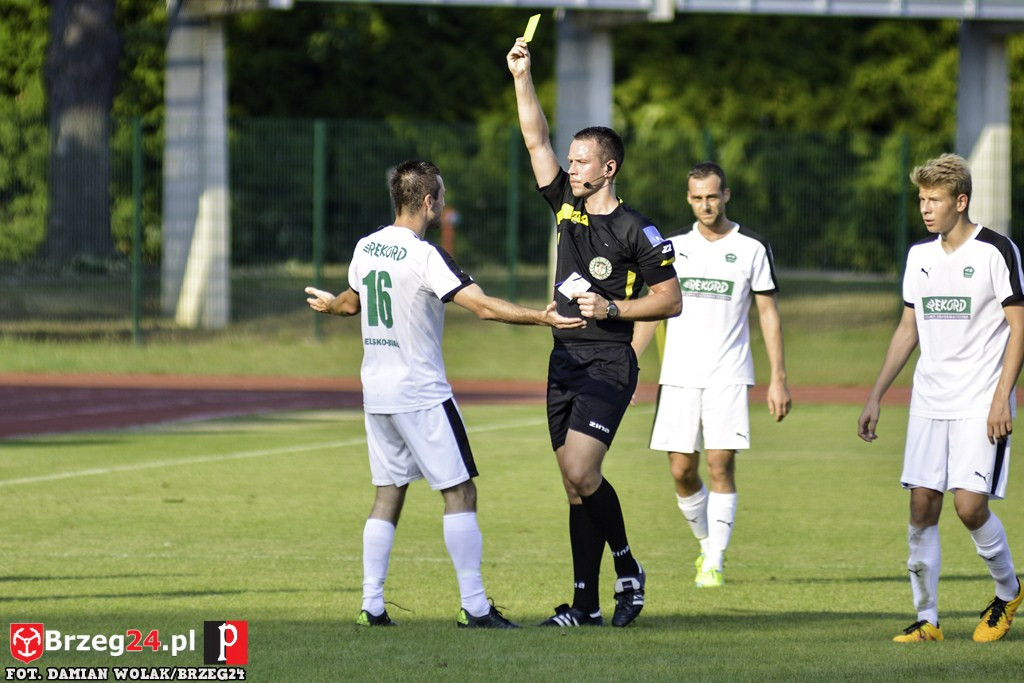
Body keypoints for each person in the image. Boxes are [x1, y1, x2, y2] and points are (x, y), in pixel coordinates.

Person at [305, 159, 586, 629]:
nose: (443, 203)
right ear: (429, 202)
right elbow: (481, 307)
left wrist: (333, 306)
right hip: (421, 392)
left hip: (377, 393)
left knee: (388, 494)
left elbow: (351, 301)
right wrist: (541, 317)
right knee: (459, 491)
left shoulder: (366, 246)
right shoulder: (424, 254)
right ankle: (474, 607)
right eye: (443, 195)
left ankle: (371, 605)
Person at [507, 38, 682, 628]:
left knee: (584, 471)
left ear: (608, 168)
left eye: (581, 161)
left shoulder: (637, 229)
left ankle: (628, 570)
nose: (571, 167)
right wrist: (522, 77)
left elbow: (670, 300)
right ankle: (584, 602)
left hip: (609, 363)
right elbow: (535, 138)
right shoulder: (565, 205)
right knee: (573, 486)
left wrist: (612, 311)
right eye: (571, 160)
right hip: (564, 361)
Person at [857, 153, 1024, 643]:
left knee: (970, 507)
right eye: (922, 200)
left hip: (979, 403)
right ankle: (927, 619)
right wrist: (875, 396)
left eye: (934, 200)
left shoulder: (997, 250)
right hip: (929, 403)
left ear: (961, 201)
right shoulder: (920, 257)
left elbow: (1020, 329)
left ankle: (1008, 591)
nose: (926, 209)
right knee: (923, 506)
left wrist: (1001, 399)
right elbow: (908, 328)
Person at [632, 162, 791, 589]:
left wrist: (778, 378)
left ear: (726, 196)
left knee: (720, 463)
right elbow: (652, 310)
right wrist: (629, 363)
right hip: (679, 376)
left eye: (713, 196)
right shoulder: (672, 247)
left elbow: (768, 315)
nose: (706, 204)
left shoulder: (753, 247)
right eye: (698, 197)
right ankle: (706, 543)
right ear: (689, 199)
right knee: (682, 470)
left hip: (729, 374)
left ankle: (715, 559)